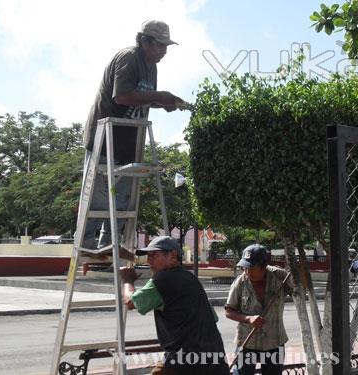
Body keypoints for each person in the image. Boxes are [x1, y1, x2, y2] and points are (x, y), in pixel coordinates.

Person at [82, 20, 185, 250]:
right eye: (160, 45)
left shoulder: (151, 66)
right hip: (105, 140)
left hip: (129, 143)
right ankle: (89, 247)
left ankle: (109, 246)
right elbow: (122, 97)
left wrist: (162, 102)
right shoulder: (129, 58)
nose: (164, 51)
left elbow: (143, 97)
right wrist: (161, 95)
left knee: (122, 200)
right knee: (97, 199)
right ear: (144, 41)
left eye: (166, 46)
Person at [120, 236, 230, 375]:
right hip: (214, 356)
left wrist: (127, 280)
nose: (149, 260)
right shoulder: (191, 279)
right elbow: (212, 317)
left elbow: (131, 302)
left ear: (173, 256)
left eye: (154, 255)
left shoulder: (162, 279)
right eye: (148, 256)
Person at [225, 244, 293, 375]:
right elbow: (229, 311)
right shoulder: (240, 283)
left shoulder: (280, 276)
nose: (247, 271)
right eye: (245, 267)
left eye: (252, 267)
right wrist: (248, 319)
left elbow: (300, 290)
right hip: (247, 343)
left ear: (263, 266)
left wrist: (299, 274)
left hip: (274, 341)